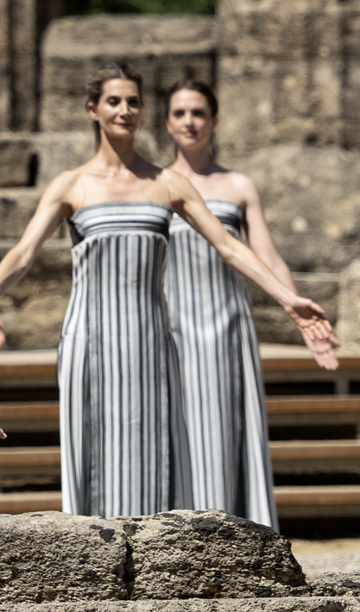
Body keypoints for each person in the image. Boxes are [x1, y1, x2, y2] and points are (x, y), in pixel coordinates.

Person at [0, 64, 331, 520]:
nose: (125, 110)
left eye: (133, 101)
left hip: (151, 341)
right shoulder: (71, 185)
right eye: (114, 101)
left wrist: (287, 299)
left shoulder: (168, 184)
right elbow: (21, 256)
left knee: (156, 458)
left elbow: (229, 247)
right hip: (89, 340)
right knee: (93, 458)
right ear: (93, 109)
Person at [163, 80, 338, 530]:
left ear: (214, 121)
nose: (189, 122)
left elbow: (268, 257)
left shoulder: (238, 185)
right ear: (167, 122)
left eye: (198, 113)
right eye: (180, 113)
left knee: (225, 431)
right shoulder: (155, 185)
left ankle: (234, 535)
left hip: (227, 324)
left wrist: (301, 318)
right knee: (176, 432)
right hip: (172, 326)